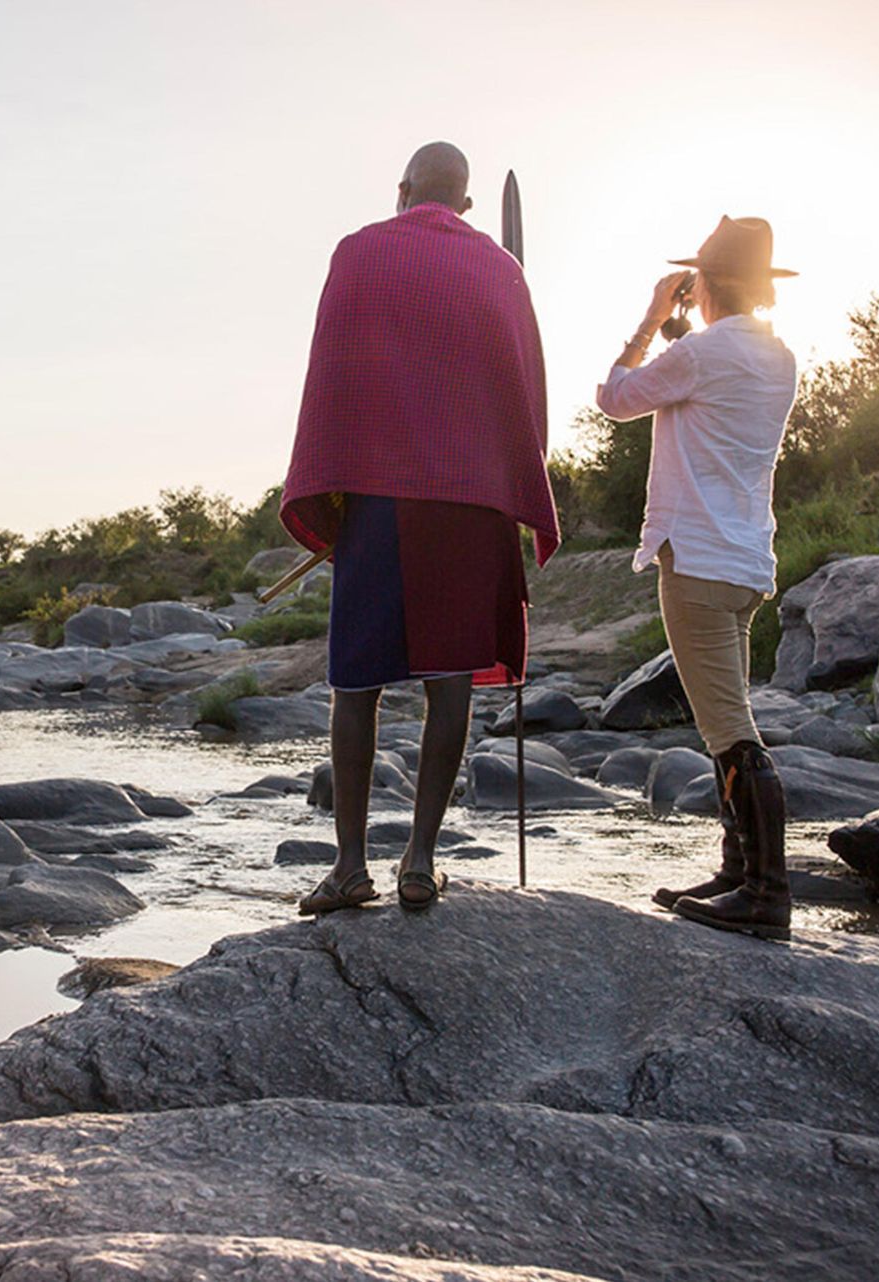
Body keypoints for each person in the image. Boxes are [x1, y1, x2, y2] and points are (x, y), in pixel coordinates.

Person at [280, 141, 561, 915]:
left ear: (403, 190)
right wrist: (512, 479)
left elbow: (332, 372)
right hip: (468, 503)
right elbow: (527, 390)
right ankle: (420, 858)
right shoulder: (501, 272)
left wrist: (330, 495)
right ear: (465, 204)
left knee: (356, 686)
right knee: (449, 682)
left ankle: (347, 867)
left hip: (378, 497)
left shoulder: (358, 254)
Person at [596, 216, 799, 941]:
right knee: (728, 719)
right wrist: (688, 330)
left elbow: (615, 398)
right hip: (745, 561)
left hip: (698, 561)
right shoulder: (777, 357)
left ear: (706, 283)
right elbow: (706, 380)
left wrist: (653, 317)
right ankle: (736, 872)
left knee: (730, 730)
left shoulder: (702, 353)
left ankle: (766, 895)